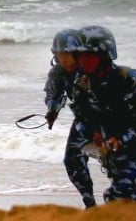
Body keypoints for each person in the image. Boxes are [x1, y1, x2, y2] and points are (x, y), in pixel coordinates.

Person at [71, 25, 136, 202]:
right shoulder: (82, 85)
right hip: (117, 157)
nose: (84, 60)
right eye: (80, 55)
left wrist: (121, 139)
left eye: (89, 55)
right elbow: (82, 119)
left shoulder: (130, 80)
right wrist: (92, 132)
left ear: (104, 54)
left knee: (117, 197)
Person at [43, 28, 96, 208]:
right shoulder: (58, 72)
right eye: (60, 54)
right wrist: (52, 110)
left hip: (114, 118)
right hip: (84, 119)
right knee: (72, 162)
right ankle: (90, 205)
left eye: (67, 54)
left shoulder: (95, 68)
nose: (64, 58)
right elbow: (54, 94)